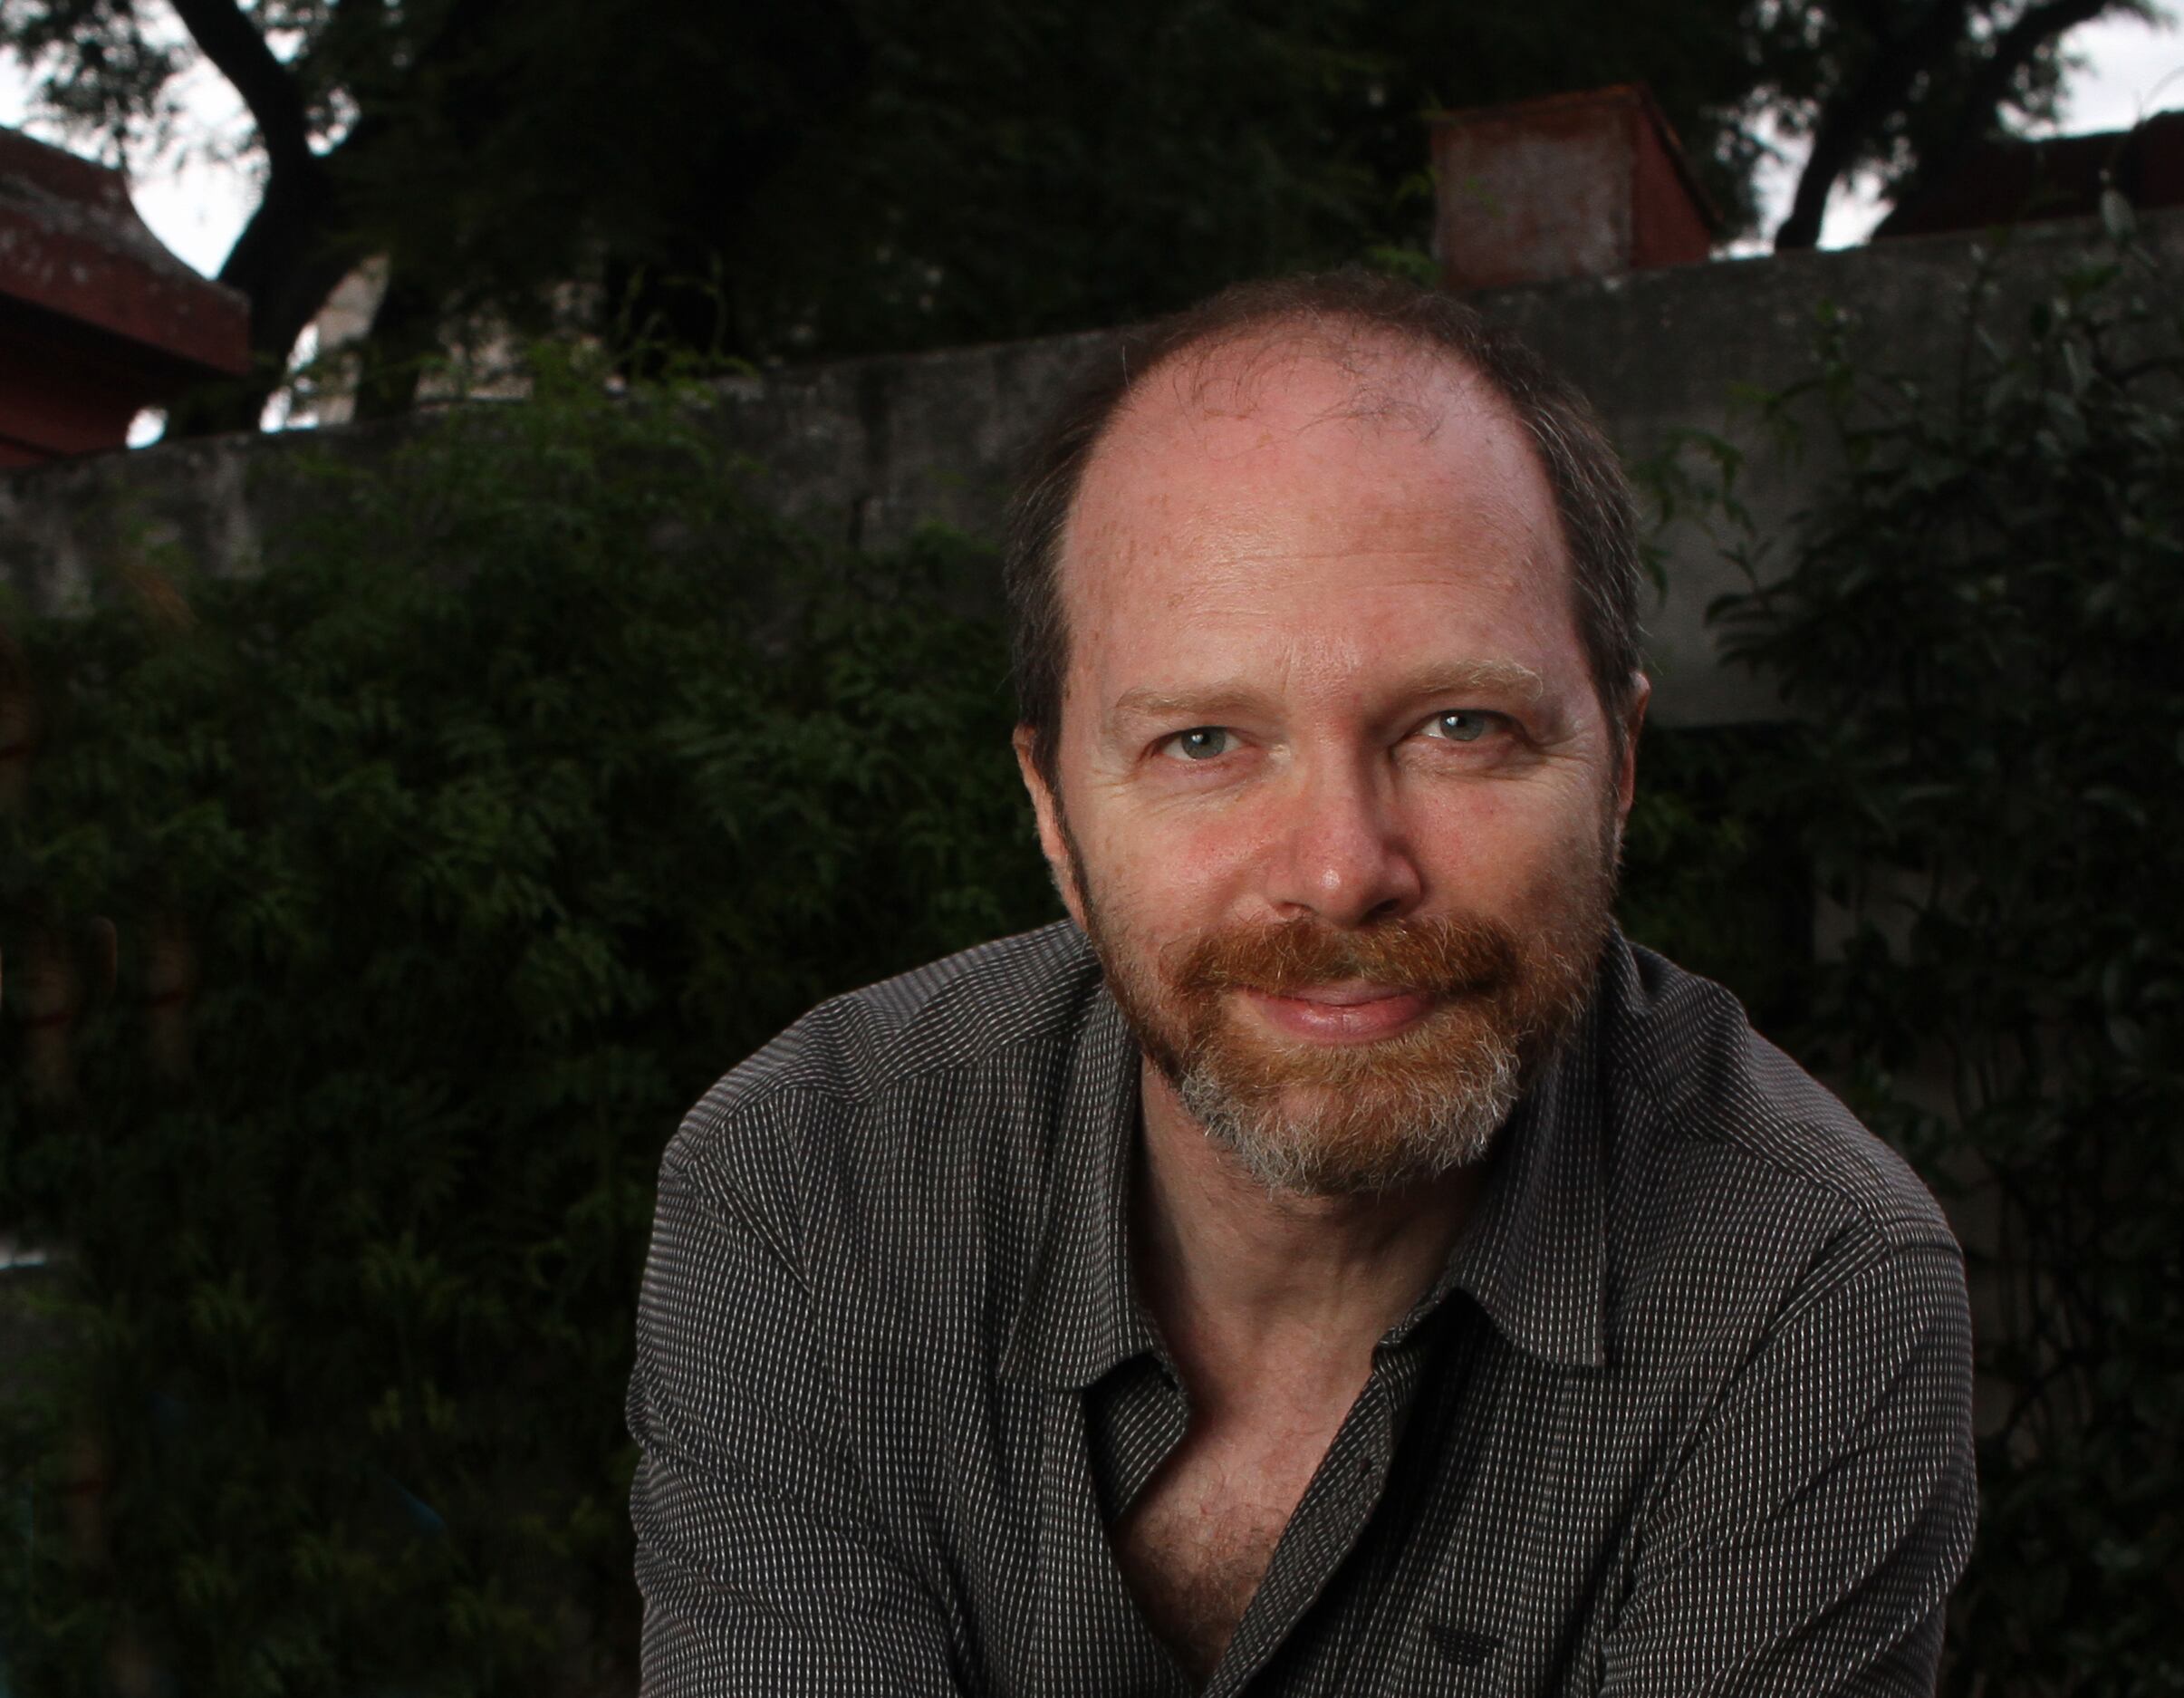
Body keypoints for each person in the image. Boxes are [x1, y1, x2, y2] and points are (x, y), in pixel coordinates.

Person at [626, 272, 1974, 1695]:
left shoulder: (1808, 1286)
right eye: (1205, 742)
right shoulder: (808, 1187)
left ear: (1620, 769)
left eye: (1462, 725)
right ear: (1052, 815)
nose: (1342, 873)